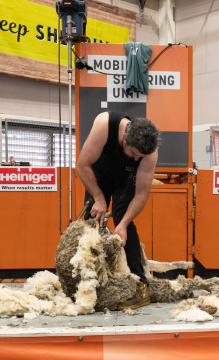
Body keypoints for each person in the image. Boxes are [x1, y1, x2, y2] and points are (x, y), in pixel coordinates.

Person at [76, 111, 160, 310]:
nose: (135, 157)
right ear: (124, 138)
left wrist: (121, 225)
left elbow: (141, 194)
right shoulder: (105, 124)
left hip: (126, 178)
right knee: (93, 219)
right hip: (99, 172)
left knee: (124, 219)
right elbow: (82, 165)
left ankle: (140, 285)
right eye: (133, 154)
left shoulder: (149, 152)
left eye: (140, 157)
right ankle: (88, 284)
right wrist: (99, 198)